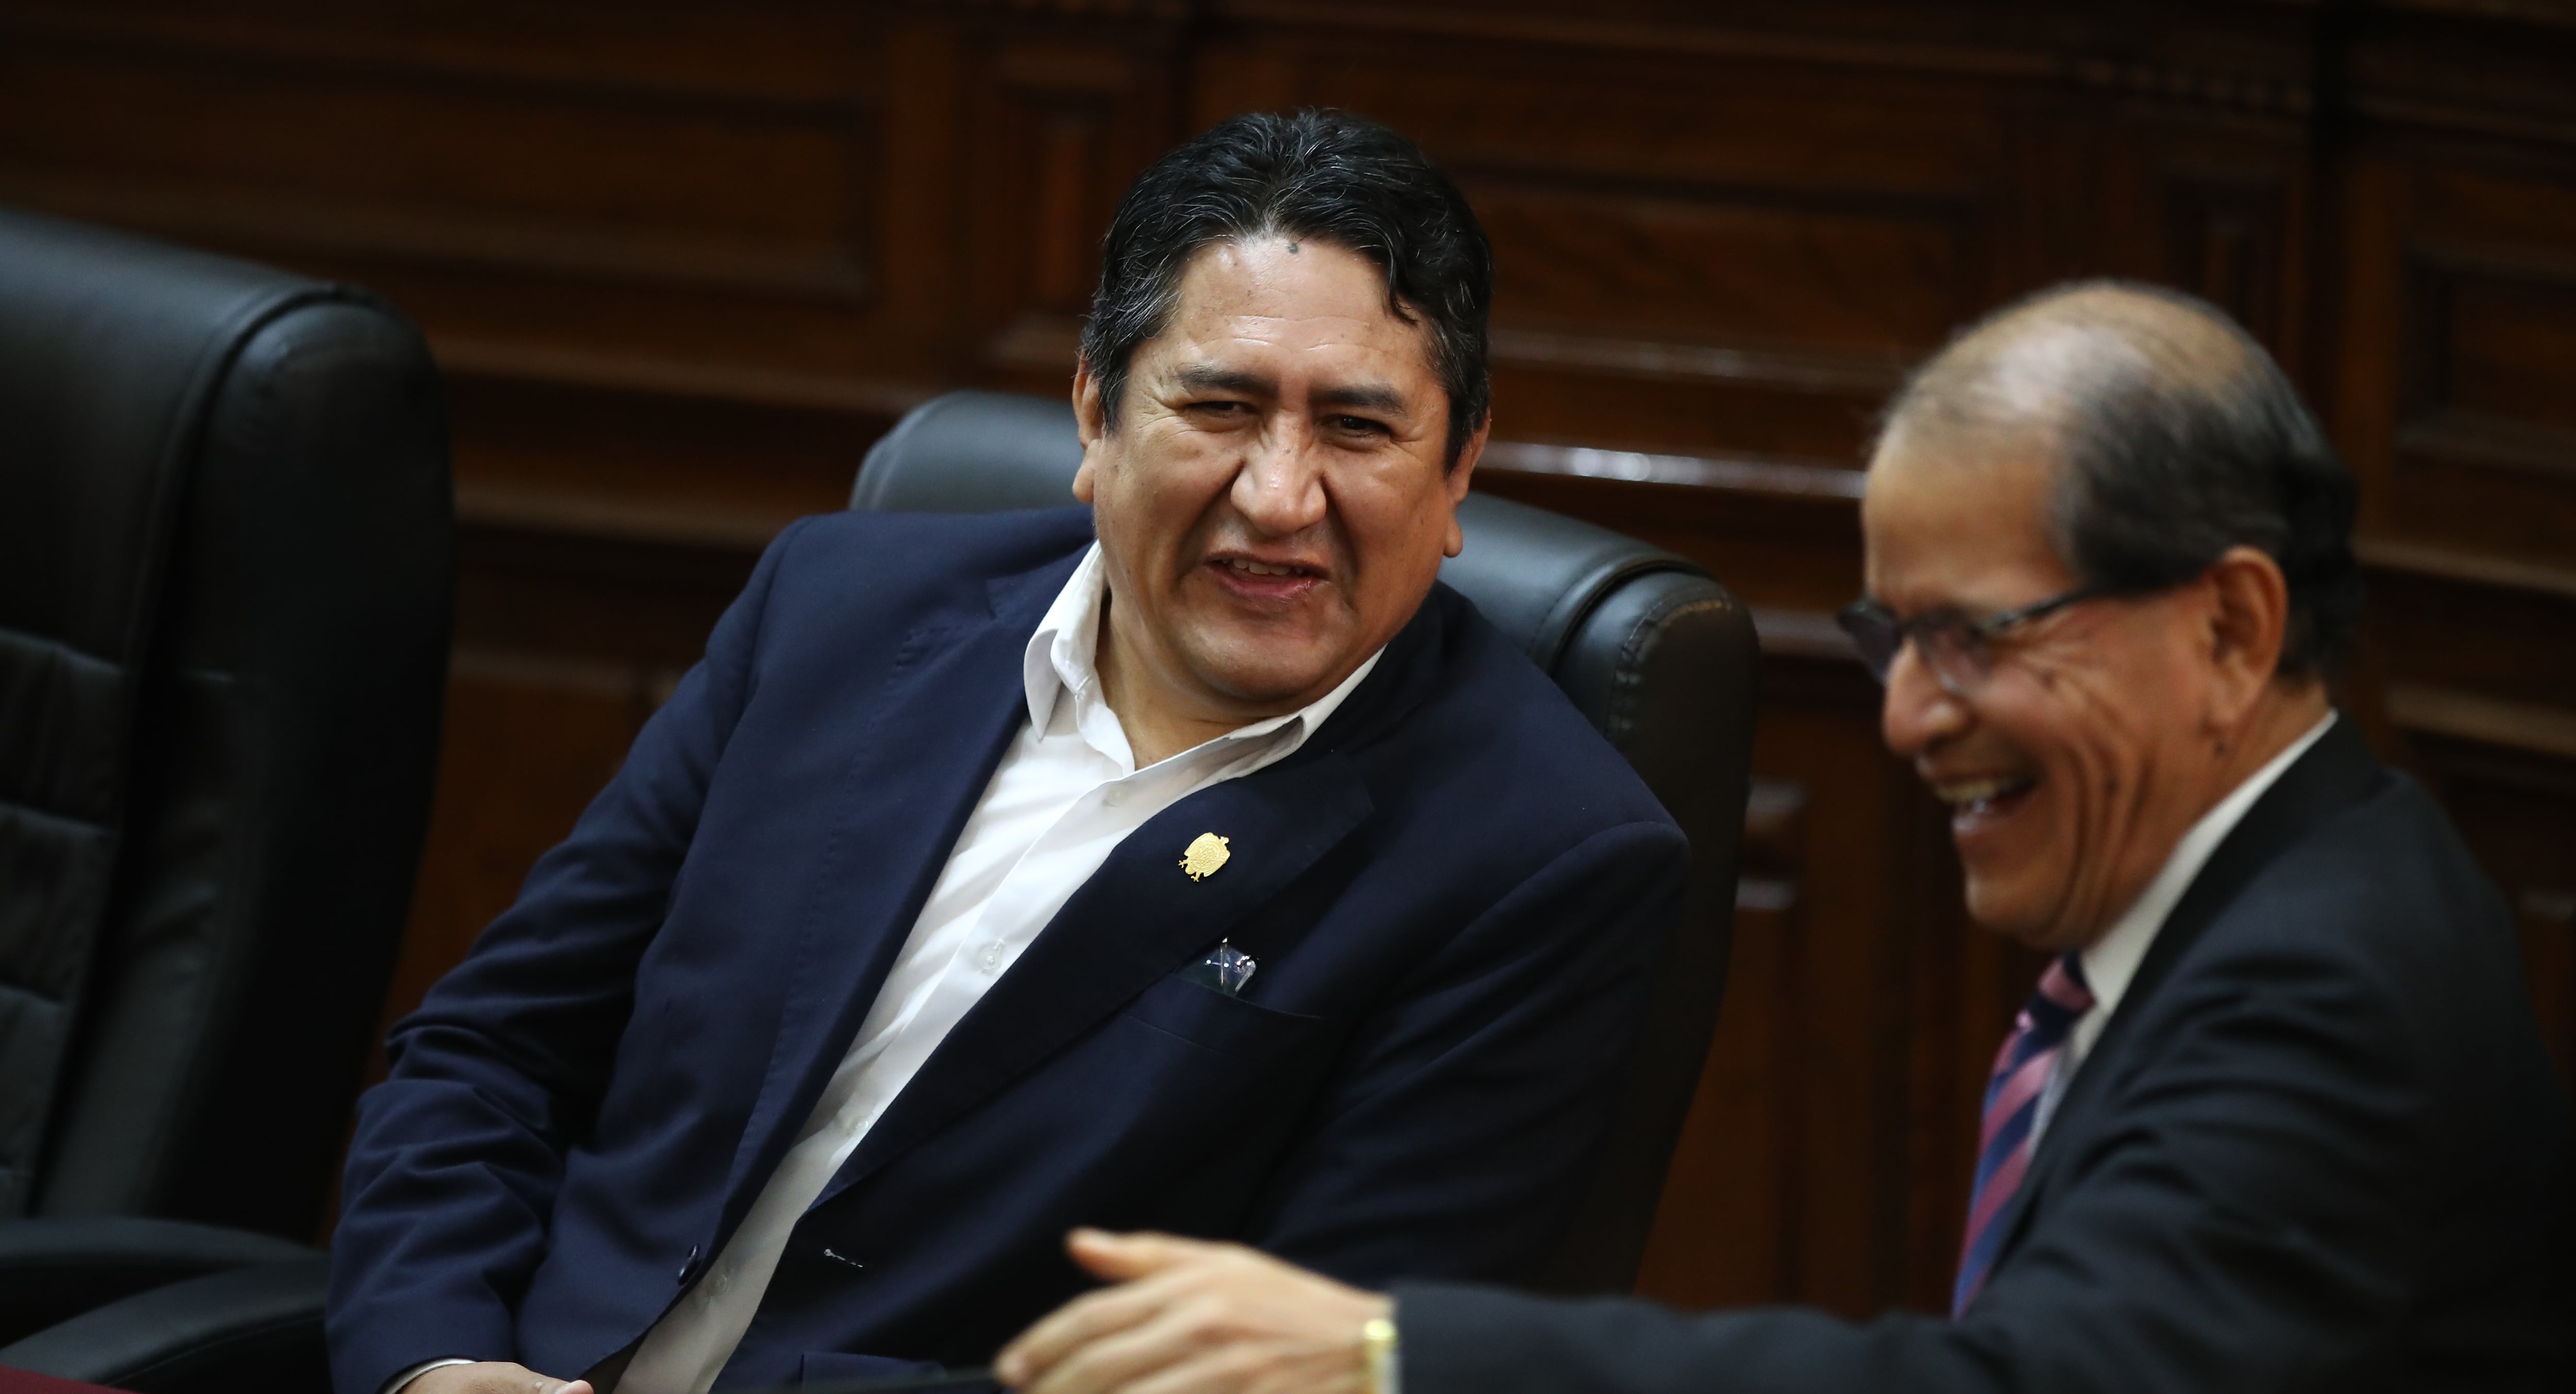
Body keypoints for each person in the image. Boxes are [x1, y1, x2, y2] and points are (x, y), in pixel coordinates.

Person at [995, 282, 2576, 1394]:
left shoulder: (2323, 980)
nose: (1907, 721)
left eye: (1976, 640)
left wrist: (1390, 1354)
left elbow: (2048, 1385)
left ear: (2231, 626)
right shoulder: (2277, 891)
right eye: (1896, 643)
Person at [326, 112, 1690, 1394]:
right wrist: (433, 1357)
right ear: (1095, 414)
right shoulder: (840, 611)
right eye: (1217, 410)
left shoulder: (1541, 859)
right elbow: (491, 1054)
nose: (1280, 497)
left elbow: (1286, 1372)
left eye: (1357, 426)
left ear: (1459, 469)